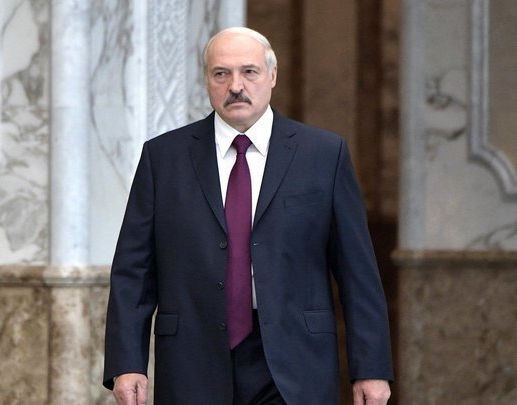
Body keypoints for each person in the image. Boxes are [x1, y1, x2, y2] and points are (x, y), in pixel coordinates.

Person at [103, 26, 393, 404]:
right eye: (221, 73)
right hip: (192, 358)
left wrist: (371, 367)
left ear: (272, 75)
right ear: (206, 81)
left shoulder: (324, 155)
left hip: (295, 361)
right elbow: (133, 272)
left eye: (249, 72)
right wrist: (127, 362)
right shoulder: (163, 158)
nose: (235, 85)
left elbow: (358, 272)